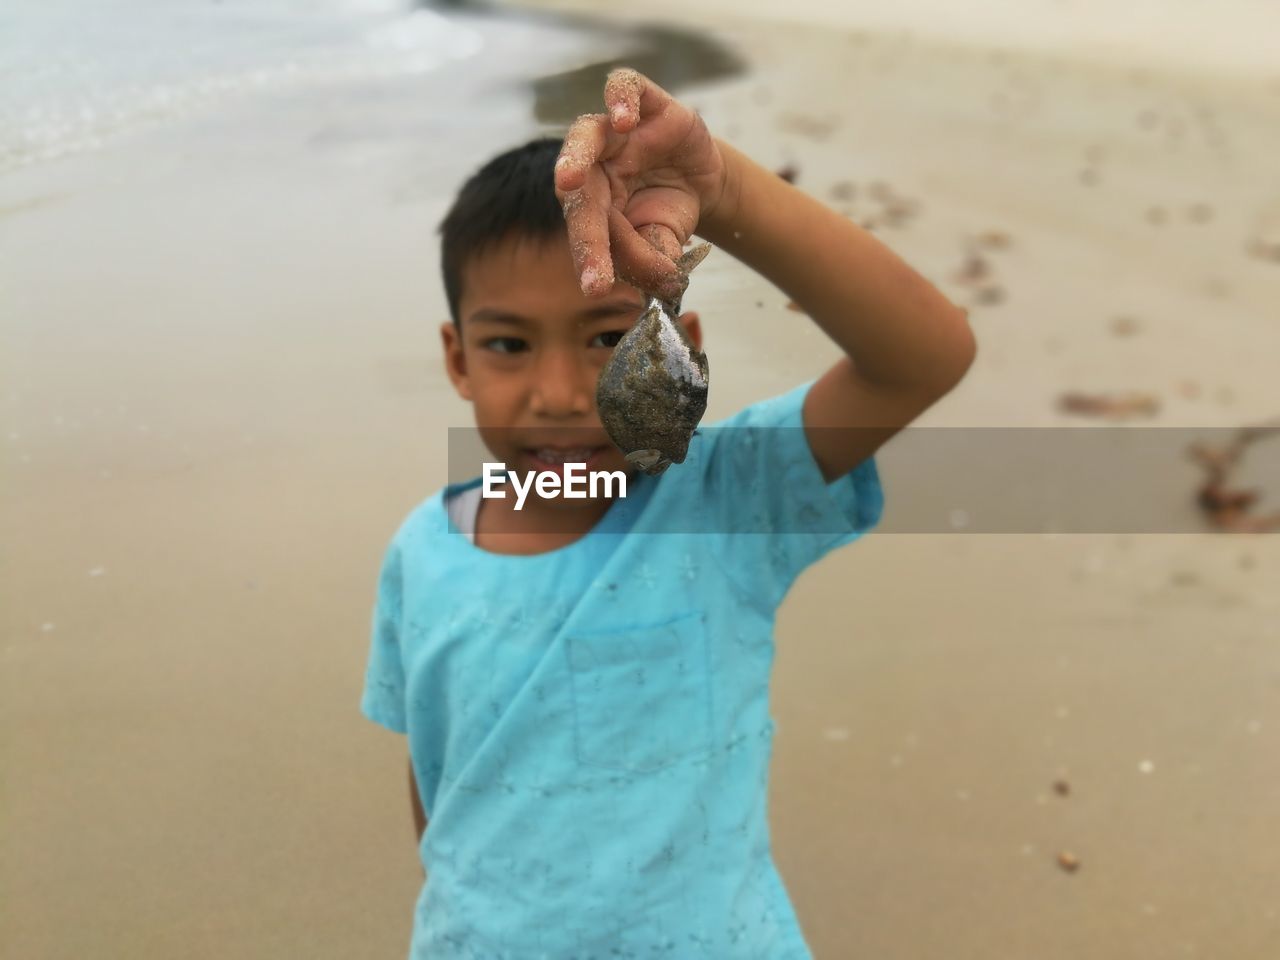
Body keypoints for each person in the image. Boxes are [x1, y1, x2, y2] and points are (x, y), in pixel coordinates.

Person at [361, 68, 975, 958]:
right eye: (507, 344)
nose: (561, 393)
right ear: (458, 359)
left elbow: (925, 354)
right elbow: (439, 777)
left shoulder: (722, 502)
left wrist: (723, 190)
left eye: (609, 336)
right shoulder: (422, 550)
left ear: (682, 352)